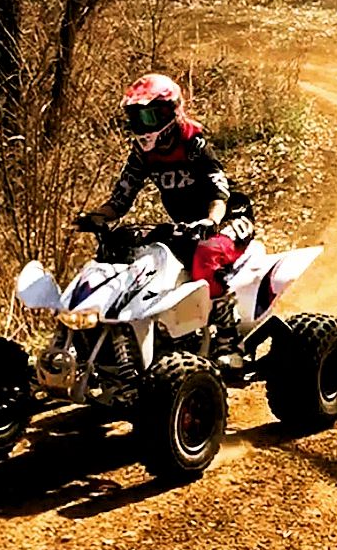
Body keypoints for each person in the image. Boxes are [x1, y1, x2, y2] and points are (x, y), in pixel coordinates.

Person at [77, 73, 255, 362]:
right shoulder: (143, 155)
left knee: (206, 255)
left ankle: (228, 342)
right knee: (129, 253)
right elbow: (120, 200)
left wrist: (211, 222)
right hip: (186, 226)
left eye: (149, 117)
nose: (142, 125)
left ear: (171, 112)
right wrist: (96, 218)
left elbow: (219, 193)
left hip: (230, 219)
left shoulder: (194, 146)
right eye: (136, 117)